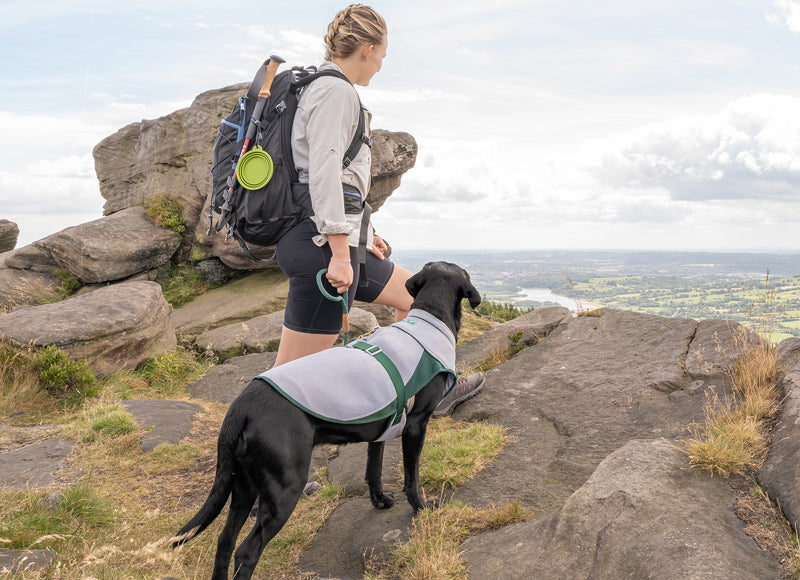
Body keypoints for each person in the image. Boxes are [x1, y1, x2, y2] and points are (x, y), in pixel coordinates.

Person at [274, 3, 483, 416]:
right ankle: (258, 471)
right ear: (367, 49)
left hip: (347, 246)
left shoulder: (326, 89)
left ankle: (433, 390)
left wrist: (365, 238)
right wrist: (337, 253)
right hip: (323, 250)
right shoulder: (335, 92)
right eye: (383, 55)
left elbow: (344, 183)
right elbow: (324, 174)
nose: (381, 65)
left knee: (421, 302)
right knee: (287, 379)